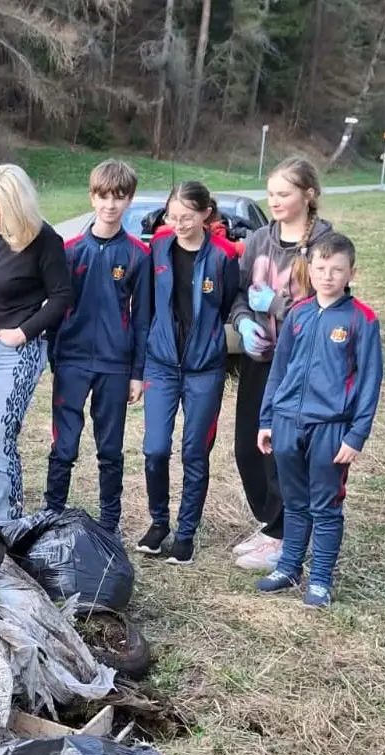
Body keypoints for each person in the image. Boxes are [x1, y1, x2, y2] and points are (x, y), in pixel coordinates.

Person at [255, 233, 382, 608]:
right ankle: (289, 566)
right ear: (309, 270)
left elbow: (370, 382)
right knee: (294, 501)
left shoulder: (362, 320)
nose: (328, 276)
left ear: (350, 272)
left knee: (325, 506)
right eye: (321, 268)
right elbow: (278, 371)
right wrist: (267, 419)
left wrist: (356, 435)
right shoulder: (298, 313)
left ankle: (321, 579)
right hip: (287, 422)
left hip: (331, 427)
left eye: (337, 270)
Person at [229, 158, 332, 571]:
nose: (275, 201)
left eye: (284, 194)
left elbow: (327, 307)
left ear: (307, 194)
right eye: (271, 193)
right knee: (247, 449)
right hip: (259, 360)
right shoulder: (258, 239)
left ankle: (284, 533)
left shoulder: (326, 242)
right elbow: (238, 294)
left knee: (282, 451)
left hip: (300, 366)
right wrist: (242, 321)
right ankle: (272, 521)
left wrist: (273, 304)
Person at [44, 159, 151, 531]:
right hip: (71, 360)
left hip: (115, 364)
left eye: (118, 197)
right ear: (92, 197)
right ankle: (51, 514)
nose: (110, 204)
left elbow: (142, 318)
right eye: (103, 196)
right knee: (64, 445)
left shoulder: (139, 254)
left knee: (110, 449)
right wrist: (54, 353)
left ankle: (109, 524)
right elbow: (55, 307)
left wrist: (138, 372)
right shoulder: (70, 250)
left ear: (129, 201)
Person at [0, 163, 71, 522]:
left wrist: (23, 332)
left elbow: (60, 297)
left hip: (15, 349)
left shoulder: (44, 240)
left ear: (17, 206)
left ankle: (8, 525)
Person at [138, 181, 240, 566]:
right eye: (172, 216)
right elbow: (145, 307)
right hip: (161, 365)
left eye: (186, 216)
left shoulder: (222, 258)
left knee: (194, 452)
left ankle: (185, 532)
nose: (178, 223)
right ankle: (158, 522)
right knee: (155, 449)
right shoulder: (158, 249)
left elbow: (231, 304)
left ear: (205, 215)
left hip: (204, 371)